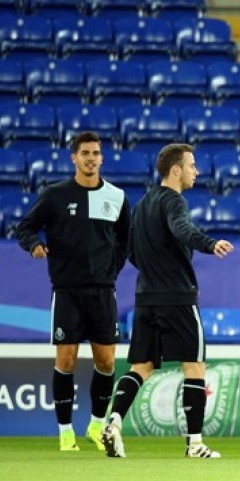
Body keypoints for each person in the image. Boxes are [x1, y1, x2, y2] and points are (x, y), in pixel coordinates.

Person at [101, 144, 234, 459]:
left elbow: (131, 250)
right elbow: (182, 229)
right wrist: (210, 243)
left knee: (141, 367)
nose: (196, 172)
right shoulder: (175, 202)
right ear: (176, 170)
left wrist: (153, 270)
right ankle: (195, 444)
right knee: (194, 365)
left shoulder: (144, 203)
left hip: (146, 297)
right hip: (177, 297)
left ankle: (114, 422)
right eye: (191, 165)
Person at [16, 131, 130, 452]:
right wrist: (35, 245)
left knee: (106, 362)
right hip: (66, 291)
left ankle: (96, 426)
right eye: (85, 154)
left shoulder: (116, 197)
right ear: (74, 158)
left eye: (95, 153)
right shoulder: (55, 195)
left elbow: (125, 239)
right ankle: (65, 432)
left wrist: (112, 269)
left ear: (102, 158)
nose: (91, 158)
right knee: (66, 360)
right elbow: (24, 226)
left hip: (103, 292)